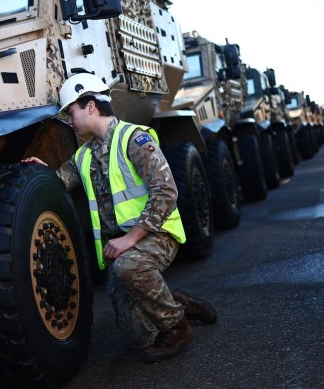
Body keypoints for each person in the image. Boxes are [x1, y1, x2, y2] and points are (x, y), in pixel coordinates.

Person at [22, 73, 217, 363]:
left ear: (90, 106)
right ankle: (180, 303)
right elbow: (59, 181)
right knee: (135, 337)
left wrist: (130, 238)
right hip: (124, 247)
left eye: (70, 112)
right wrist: (40, 171)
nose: (68, 121)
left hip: (155, 234)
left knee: (127, 269)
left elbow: (166, 192)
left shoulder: (133, 139)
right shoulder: (84, 156)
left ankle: (179, 327)